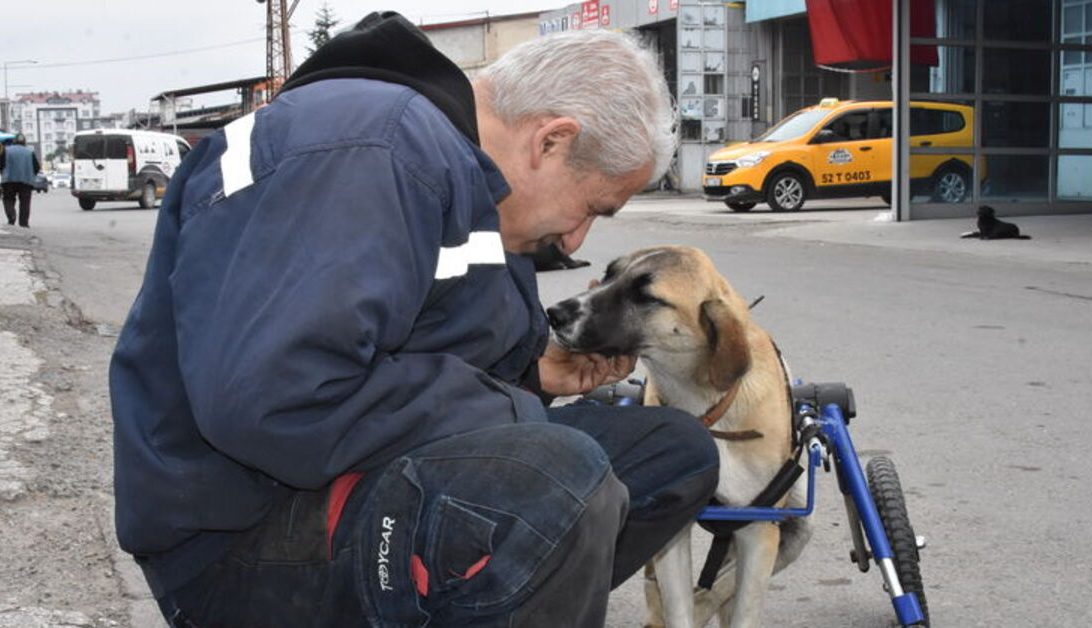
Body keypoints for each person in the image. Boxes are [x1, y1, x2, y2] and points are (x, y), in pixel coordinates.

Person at [110, 12, 719, 627]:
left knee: (673, 451)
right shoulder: (371, 149)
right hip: (244, 536)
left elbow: (428, 353)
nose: (575, 238)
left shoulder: (464, 179)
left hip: (336, 485)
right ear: (551, 140)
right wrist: (510, 409)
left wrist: (536, 375)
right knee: (553, 480)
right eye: (592, 208)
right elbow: (277, 397)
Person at [0, 133, 40, 227]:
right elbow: (37, 168)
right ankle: (24, 223)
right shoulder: (30, 152)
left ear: (14, 142)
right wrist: (30, 175)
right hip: (26, 181)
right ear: (24, 142)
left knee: (8, 199)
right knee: (25, 202)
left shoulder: (6, 150)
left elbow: (0, 164)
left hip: (8, 180)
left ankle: (11, 216)